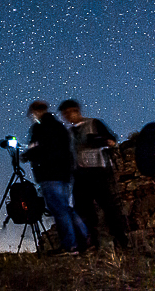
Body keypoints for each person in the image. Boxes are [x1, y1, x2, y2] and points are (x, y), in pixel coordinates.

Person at [58, 99, 129, 251]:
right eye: (65, 114)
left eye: (70, 112)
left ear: (77, 111)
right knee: (84, 212)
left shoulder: (94, 123)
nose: (68, 116)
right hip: (80, 176)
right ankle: (91, 245)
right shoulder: (69, 134)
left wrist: (101, 140)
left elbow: (112, 141)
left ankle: (122, 243)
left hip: (99, 172)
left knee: (110, 208)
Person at [21, 100, 86, 255]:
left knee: (59, 210)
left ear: (36, 112)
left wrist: (28, 154)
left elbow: (42, 148)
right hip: (63, 174)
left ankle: (70, 246)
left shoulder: (41, 128)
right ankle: (85, 238)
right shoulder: (58, 127)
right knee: (65, 208)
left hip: (50, 174)